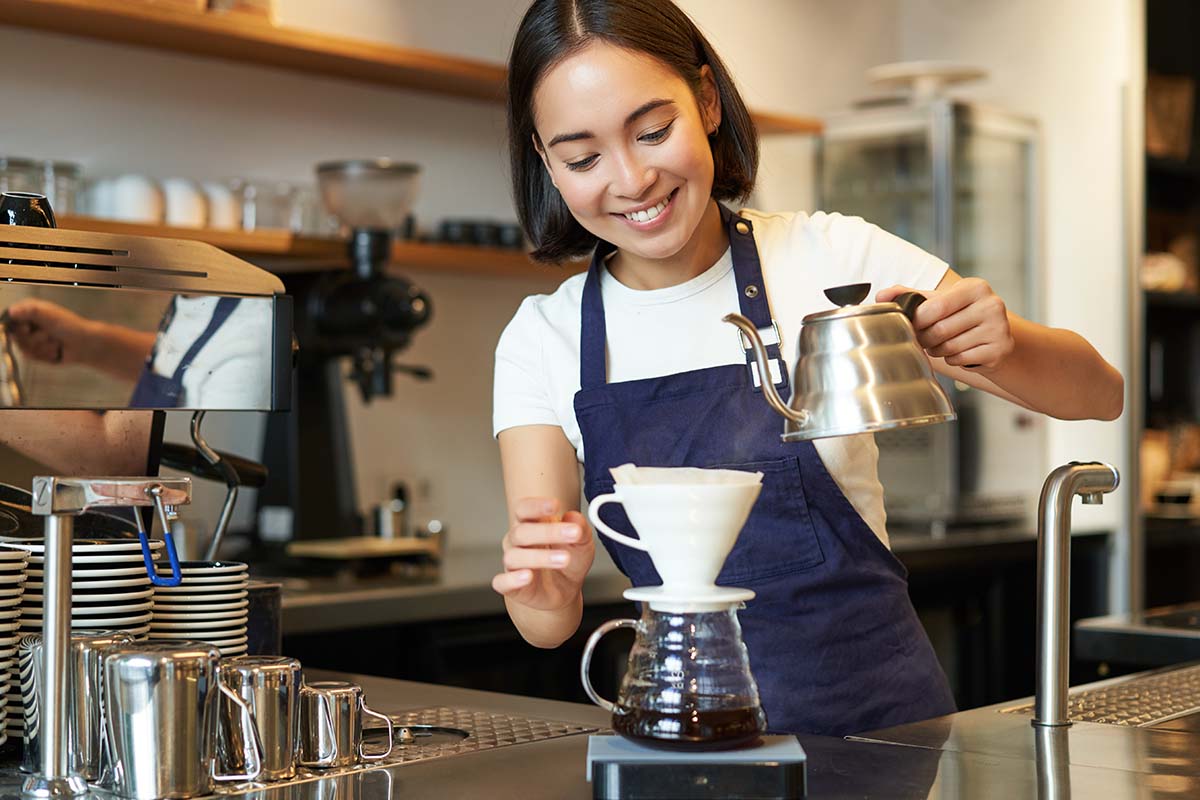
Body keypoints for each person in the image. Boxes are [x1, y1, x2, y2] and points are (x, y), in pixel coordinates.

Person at [491, 0, 1124, 736]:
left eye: (654, 131)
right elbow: (543, 621)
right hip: (688, 739)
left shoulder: (833, 260)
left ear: (705, 101)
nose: (630, 179)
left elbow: (1100, 393)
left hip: (886, 737)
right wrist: (545, 588)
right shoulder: (544, 337)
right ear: (545, 161)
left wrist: (1005, 341)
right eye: (583, 157)